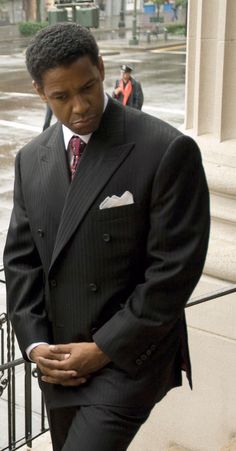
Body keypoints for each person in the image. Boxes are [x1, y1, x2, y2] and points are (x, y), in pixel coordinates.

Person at [3, 23, 210, 451]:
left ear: (101, 69)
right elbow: (22, 261)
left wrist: (102, 348)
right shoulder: (30, 159)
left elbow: (173, 271)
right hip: (61, 358)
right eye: (61, 97)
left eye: (89, 87)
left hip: (130, 356)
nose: (79, 107)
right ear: (42, 93)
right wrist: (36, 344)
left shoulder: (166, 148)